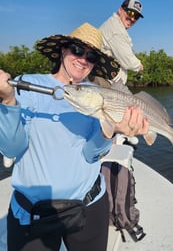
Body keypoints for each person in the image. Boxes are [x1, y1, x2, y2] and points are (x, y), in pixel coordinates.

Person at [0, 22, 149, 251]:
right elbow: (12, 149)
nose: (83, 59)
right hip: (33, 213)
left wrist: (110, 130)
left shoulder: (94, 95)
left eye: (91, 56)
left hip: (89, 206)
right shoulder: (28, 86)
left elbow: (90, 154)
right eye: (78, 50)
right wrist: (9, 102)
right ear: (63, 50)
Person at [99, 0, 144, 84]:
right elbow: (128, 61)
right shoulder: (117, 31)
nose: (132, 18)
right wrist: (139, 66)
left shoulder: (113, 24)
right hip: (105, 83)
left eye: (136, 17)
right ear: (120, 10)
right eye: (130, 13)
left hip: (109, 83)